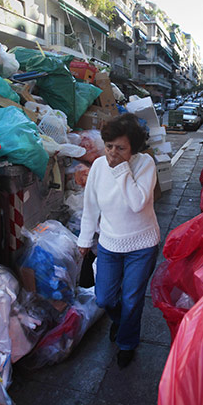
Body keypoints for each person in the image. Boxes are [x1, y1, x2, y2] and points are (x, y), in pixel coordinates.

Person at [77, 113, 160, 368]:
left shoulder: (145, 164)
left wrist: (121, 168)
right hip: (109, 242)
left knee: (133, 298)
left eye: (120, 148)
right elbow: (90, 206)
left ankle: (126, 343)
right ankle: (121, 321)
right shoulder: (99, 167)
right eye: (109, 146)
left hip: (142, 244)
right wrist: (85, 238)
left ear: (133, 147)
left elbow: (136, 203)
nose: (112, 153)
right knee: (104, 298)